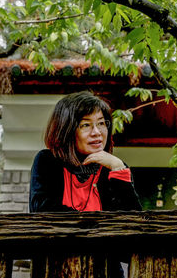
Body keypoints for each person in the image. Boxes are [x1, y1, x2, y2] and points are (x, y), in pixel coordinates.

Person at [29, 91, 142, 277]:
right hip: (56, 271)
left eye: (101, 123)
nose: (97, 132)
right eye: (85, 125)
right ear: (67, 130)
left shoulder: (113, 170)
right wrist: (103, 231)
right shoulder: (47, 161)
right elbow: (45, 212)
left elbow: (134, 231)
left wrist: (118, 167)